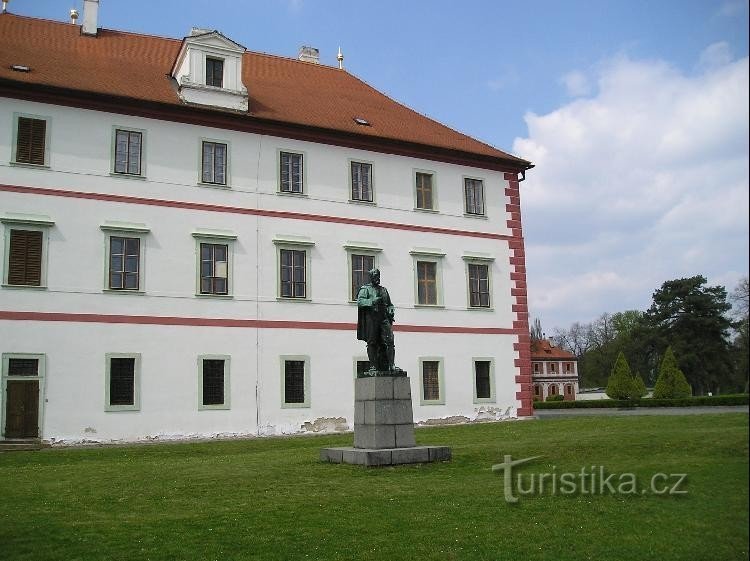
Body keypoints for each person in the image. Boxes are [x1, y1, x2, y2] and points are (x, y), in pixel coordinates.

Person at [356, 268, 396, 372]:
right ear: (371, 277)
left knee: (390, 341)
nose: (377, 278)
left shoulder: (383, 290)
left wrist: (391, 310)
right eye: (375, 276)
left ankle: (391, 365)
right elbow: (360, 302)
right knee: (372, 342)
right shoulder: (365, 289)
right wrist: (372, 301)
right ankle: (373, 366)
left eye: (378, 276)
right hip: (372, 319)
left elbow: (390, 305)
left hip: (383, 318)